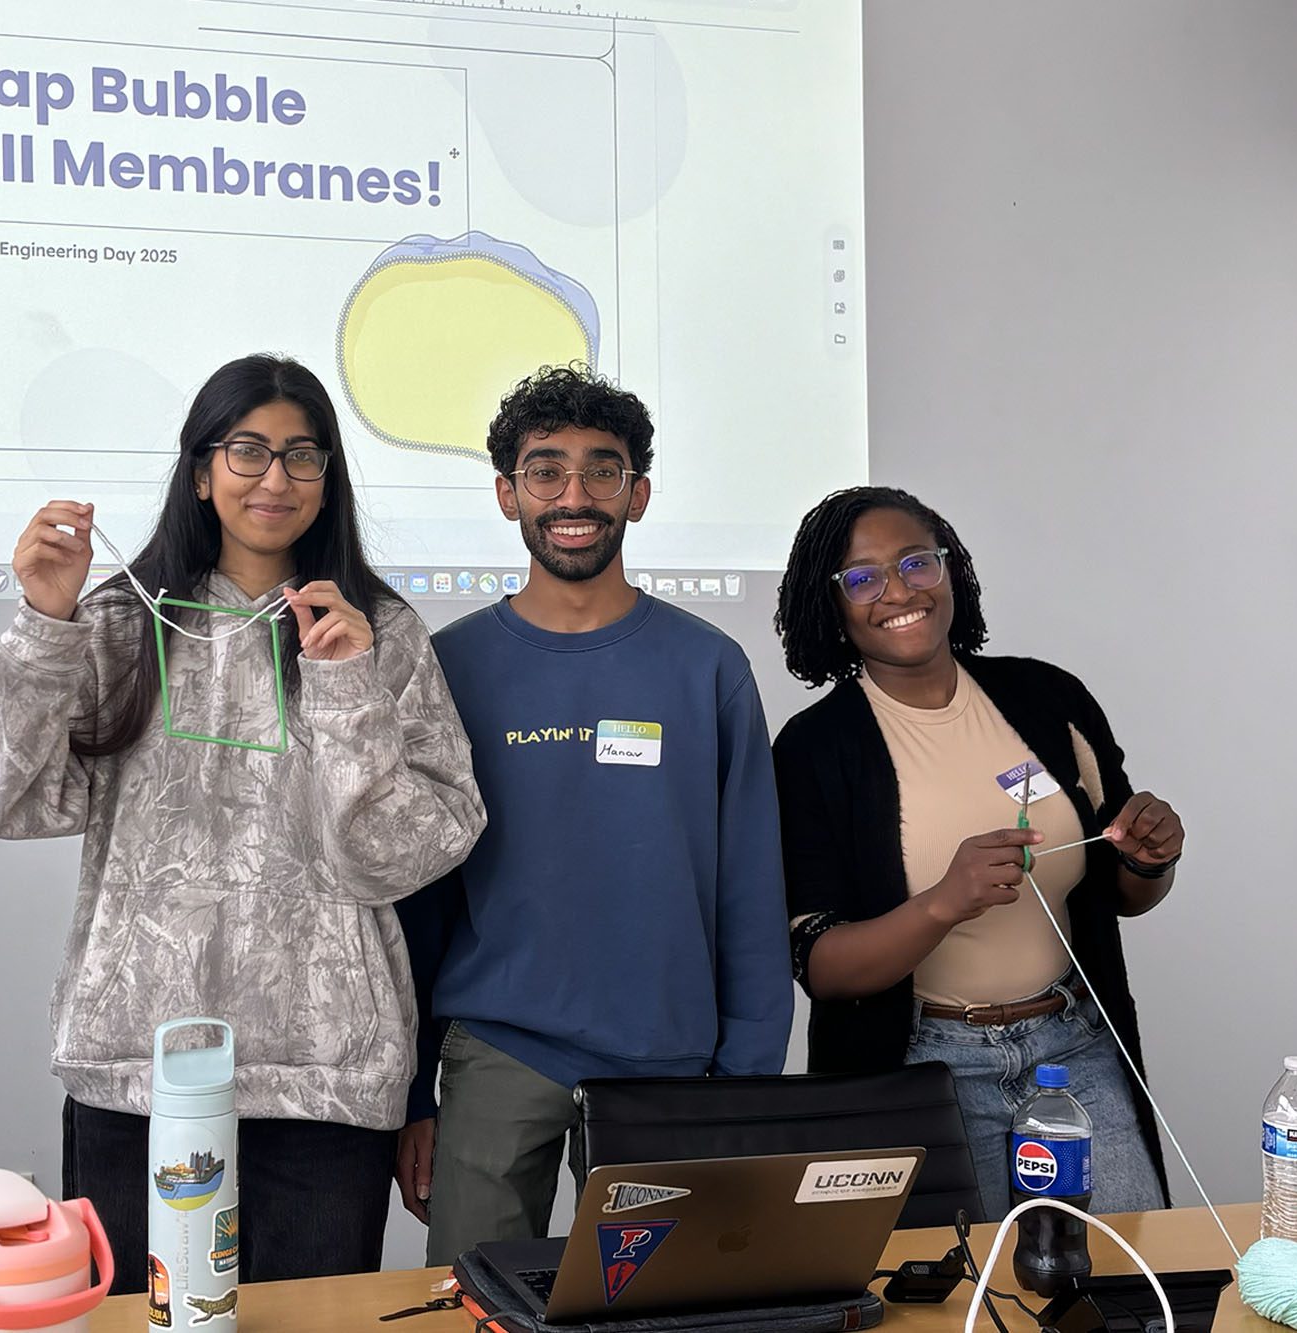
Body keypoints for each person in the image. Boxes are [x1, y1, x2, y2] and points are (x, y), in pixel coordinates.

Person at [0, 354, 486, 1284]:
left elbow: (400, 855)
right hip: (136, 1070)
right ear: (201, 471)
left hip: (325, 1080)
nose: (275, 478)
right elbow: (2, 795)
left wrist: (348, 683)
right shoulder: (117, 621)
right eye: (247, 450)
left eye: (301, 455)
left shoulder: (380, 633)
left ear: (327, 480)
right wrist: (45, 621)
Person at [393, 364, 794, 1264]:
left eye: (601, 470)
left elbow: (751, 889)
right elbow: (417, 899)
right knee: (479, 1312)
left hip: (673, 1065)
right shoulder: (447, 669)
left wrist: (747, 1085)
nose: (574, 495)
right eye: (545, 470)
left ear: (638, 493)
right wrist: (416, 1093)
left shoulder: (709, 668)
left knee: (667, 1311)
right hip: (500, 1053)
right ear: (508, 493)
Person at [770, 485, 1180, 1219]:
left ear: (950, 568)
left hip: (1072, 1052)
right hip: (920, 1068)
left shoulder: (1049, 697)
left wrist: (1149, 859)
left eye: (916, 563)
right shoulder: (813, 750)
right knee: (948, 1308)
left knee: (1121, 1291)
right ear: (830, 605)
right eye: (862, 578)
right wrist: (941, 904)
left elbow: (1120, 891)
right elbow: (822, 967)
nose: (898, 591)